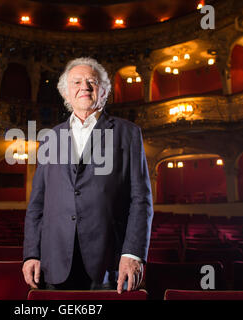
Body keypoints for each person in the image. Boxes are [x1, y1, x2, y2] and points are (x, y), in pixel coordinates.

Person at [22, 57, 153, 293]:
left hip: (108, 261)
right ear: (66, 93)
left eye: (92, 81)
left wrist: (133, 253)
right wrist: (32, 253)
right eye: (76, 82)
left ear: (103, 91)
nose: (85, 86)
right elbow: (37, 204)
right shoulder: (49, 137)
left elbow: (140, 199)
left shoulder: (128, 133)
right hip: (54, 262)